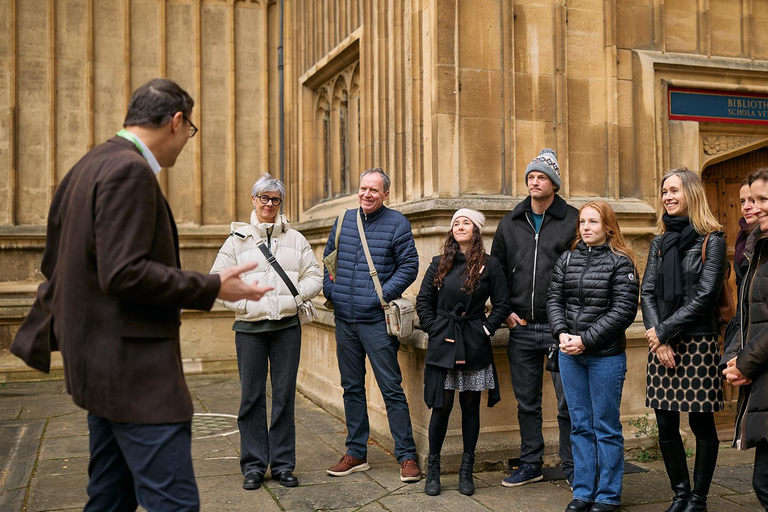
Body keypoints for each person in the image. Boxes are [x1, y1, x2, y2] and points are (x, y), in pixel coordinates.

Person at [10, 78, 272, 511]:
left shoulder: (88, 165)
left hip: (98, 366)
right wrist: (212, 285)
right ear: (176, 121)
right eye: (190, 132)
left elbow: (55, 262)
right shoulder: (129, 170)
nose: (187, 142)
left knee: (110, 499)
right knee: (174, 504)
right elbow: (123, 273)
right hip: (135, 375)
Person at [210, 173, 322, 490]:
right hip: (249, 329)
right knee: (251, 397)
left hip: (287, 328)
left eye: (275, 199)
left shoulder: (296, 239)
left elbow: (314, 275)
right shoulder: (237, 241)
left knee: (284, 397)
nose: (270, 204)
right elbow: (217, 283)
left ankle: (284, 465)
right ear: (254, 200)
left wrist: (296, 297)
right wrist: (244, 305)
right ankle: (255, 466)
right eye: (264, 198)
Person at [322, 167, 421, 482]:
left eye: (374, 190)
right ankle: (356, 453)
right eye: (363, 188)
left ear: (385, 194)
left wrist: (381, 297)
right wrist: (331, 290)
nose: (367, 194)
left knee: (391, 389)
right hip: (344, 321)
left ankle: (407, 457)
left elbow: (410, 266)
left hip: (377, 322)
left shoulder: (398, 223)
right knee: (351, 388)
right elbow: (329, 259)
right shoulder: (343, 220)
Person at [641, 167, 727, 512]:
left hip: (698, 342)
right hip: (662, 345)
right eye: (664, 192)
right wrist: (658, 340)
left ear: (691, 193)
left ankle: (699, 498)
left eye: (674, 190)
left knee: (700, 420)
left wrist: (663, 332)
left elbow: (705, 296)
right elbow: (647, 291)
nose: (668, 197)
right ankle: (680, 493)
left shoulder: (713, 239)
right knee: (665, 421)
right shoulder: (660, 242)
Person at [491, 148, 577, 488]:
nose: (534, 182)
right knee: (527, 403)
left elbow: (584, 268)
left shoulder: (573, 220)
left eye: (541, 177)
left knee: (568, 405)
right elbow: (495, 271)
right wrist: (504, 311)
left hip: (562, 329)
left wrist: (571, 318)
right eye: (530, 177)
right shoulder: (510, 223)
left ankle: (572, 468)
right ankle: (531, 464)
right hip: (522, 328)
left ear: (554, 183)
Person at [547, 202, 639, 512]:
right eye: (583, 222)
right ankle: (583, 492)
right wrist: (561, 333)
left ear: (608, 227)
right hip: (569, 354)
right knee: (579, 425)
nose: (586, 227)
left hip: (605, 357)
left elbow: (623, 311)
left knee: (605, 426)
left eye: (593, 222)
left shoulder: (621, 263)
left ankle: (608, 495)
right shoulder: (567, 258)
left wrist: (585, 340)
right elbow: (554, 300)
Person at [416, 209, 510, 497]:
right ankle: (433, 468)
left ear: (476, 231)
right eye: (456, 223)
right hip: (443, 341)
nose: (459, 226)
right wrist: (434, 328)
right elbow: (423, 301)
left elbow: (503, 305)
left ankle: (466, 470)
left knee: (470, 407)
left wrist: (484, 330)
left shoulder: (490, 265)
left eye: (465, 222)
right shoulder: (438, 264)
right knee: (441, 407)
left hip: (473, 342)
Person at [722, 168, 768, 511]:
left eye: (762, 199)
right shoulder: (756, 248)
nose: (753, 207)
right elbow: (745, 314)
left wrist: (747, 362)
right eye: (748, 200)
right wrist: (733, 360)